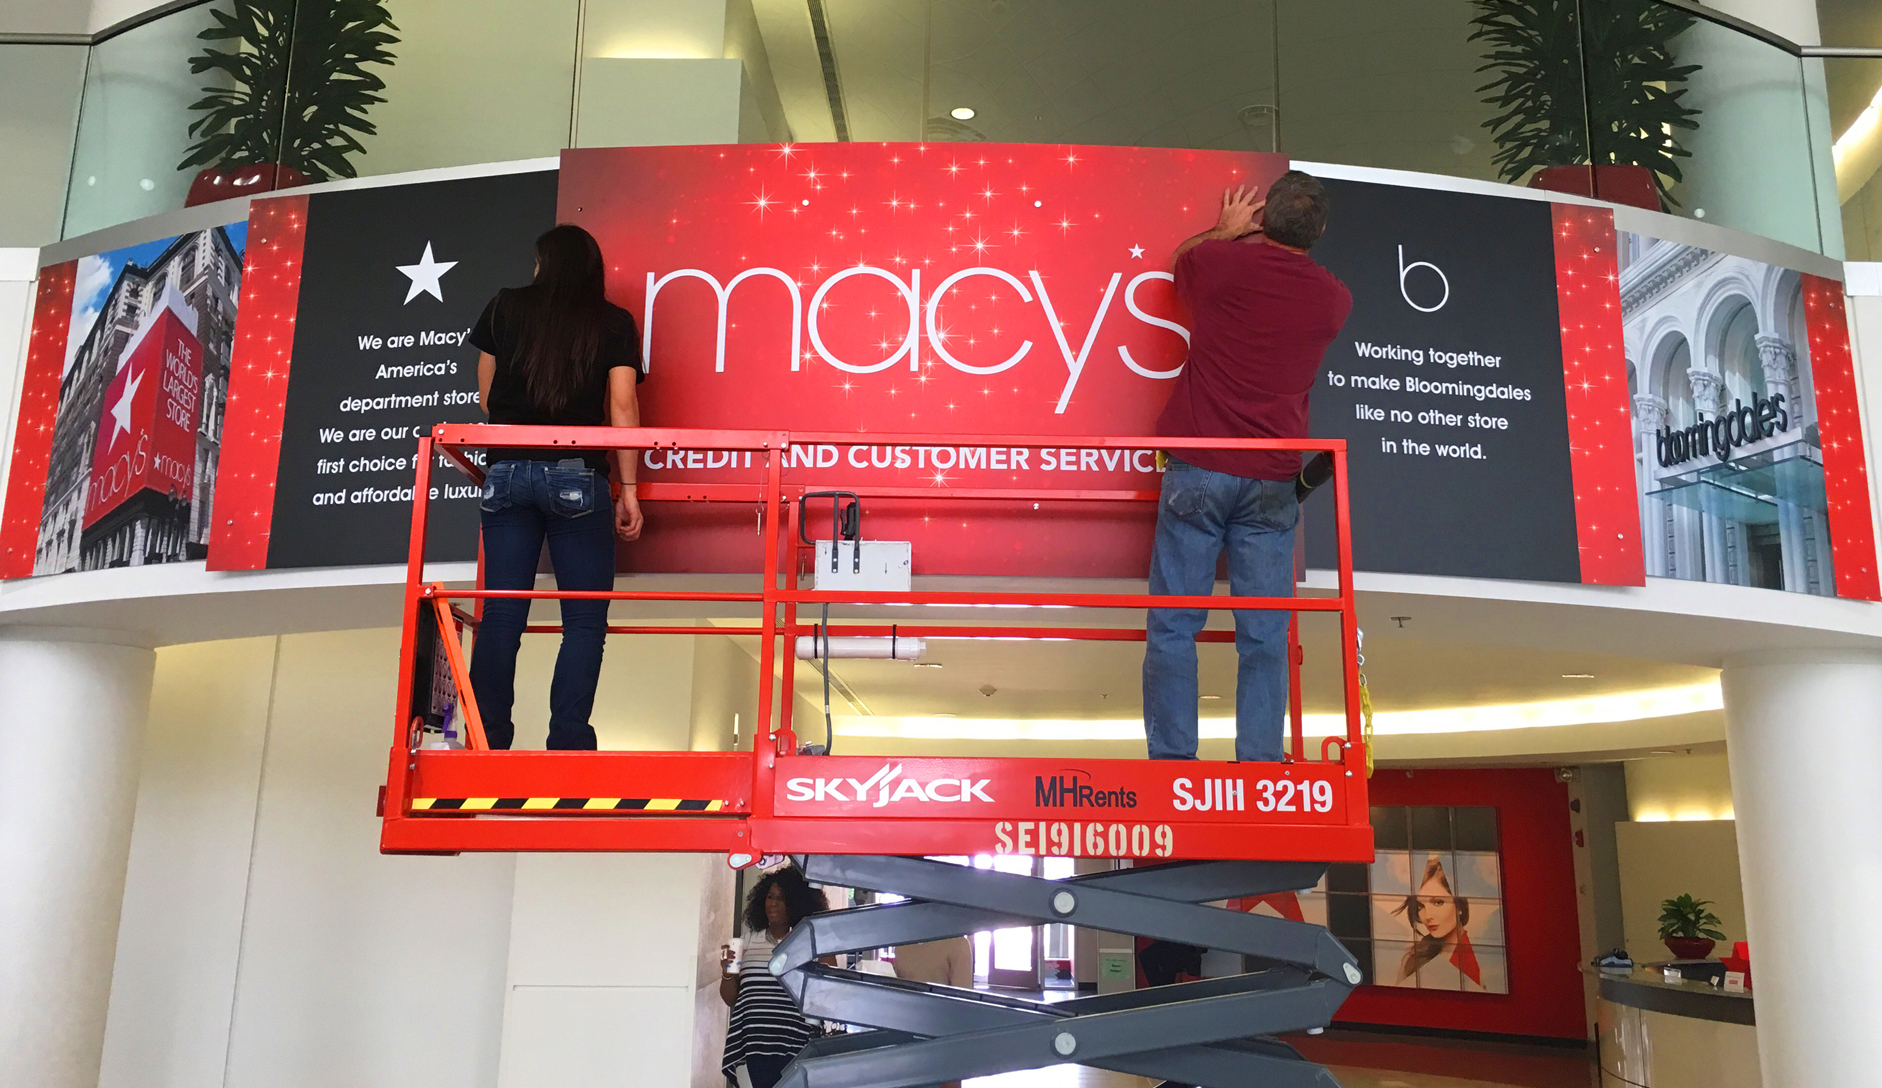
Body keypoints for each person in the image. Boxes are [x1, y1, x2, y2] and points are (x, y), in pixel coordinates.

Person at [1142, 171, 1352, 763]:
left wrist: (1224, 230)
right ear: (1320, 232)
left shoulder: (1222, 265)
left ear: (1262, 218)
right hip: (1272, 481)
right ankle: (1259, 764)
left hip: (1199, 468)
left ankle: (1172, 764)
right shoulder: (1334, 300)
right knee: (1265, 632)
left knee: (1174, 625)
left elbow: (1179, 265)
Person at [466, 224, 645, 751]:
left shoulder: (505, 306)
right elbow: (623, 407)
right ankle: (568, 739)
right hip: (576, 474)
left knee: (501, 613)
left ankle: (486, 737)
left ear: (543, 263)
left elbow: (487, 399)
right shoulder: (613, 321)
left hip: (505, 473)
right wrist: (628, 488)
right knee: (584, 620)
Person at [721, 866, 830, 1088]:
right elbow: (731, 999)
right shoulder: (748, 942)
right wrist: (727, 974)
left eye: (781, 899)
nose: (773, 903)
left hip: (798, 1044)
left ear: (797, 903)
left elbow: (828, 995)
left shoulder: (812, 942)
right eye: (770, 897)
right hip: (756, 1044)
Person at [1393, 856, 1484, 989]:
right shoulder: (1414, 957)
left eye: (1438, 902)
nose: (1427, 916)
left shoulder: (1481, 959)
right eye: (1420, 906)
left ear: (1459, 905)